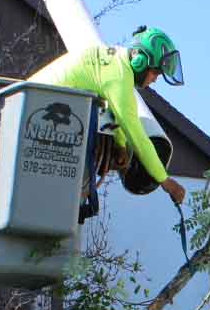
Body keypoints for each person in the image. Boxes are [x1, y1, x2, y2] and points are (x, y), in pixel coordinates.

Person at [32, 25, 188, 207]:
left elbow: (116, 111)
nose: (155, 80)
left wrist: (120, 146)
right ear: (140, 61)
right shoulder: (119, 79)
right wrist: (167, 182)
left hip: (39, 105)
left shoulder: (116, 62)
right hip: (37, 112)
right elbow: (138, 138)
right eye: (155, 73)